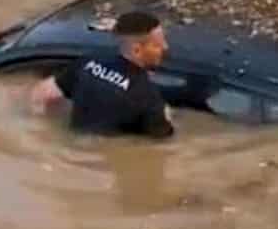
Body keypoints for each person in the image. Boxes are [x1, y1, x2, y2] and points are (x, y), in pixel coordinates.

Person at [29, 11, 174, 138]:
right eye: (157, 44)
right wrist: (165, 115)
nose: (165, 47)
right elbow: (161, 146)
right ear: (137, 50)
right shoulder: (147, 96)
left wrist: (39, 128)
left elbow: (42, 92)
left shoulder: (90, 62)